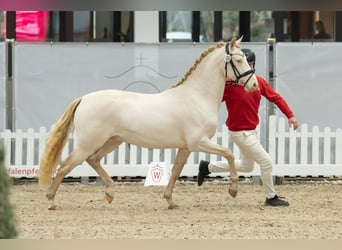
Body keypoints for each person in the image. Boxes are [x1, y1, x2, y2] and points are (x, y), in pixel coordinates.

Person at [197, 48, 299, 207]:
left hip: (251, 131)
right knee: (266, 162)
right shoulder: (230, 86)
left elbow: (276, 98)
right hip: (240, 132)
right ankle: (271, 197)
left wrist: (290, 115)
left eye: (249, 64)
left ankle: (208, 167)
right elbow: (214, 99)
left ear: (253, 65)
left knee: (247, 166)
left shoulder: (258, 82)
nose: (247, 67)